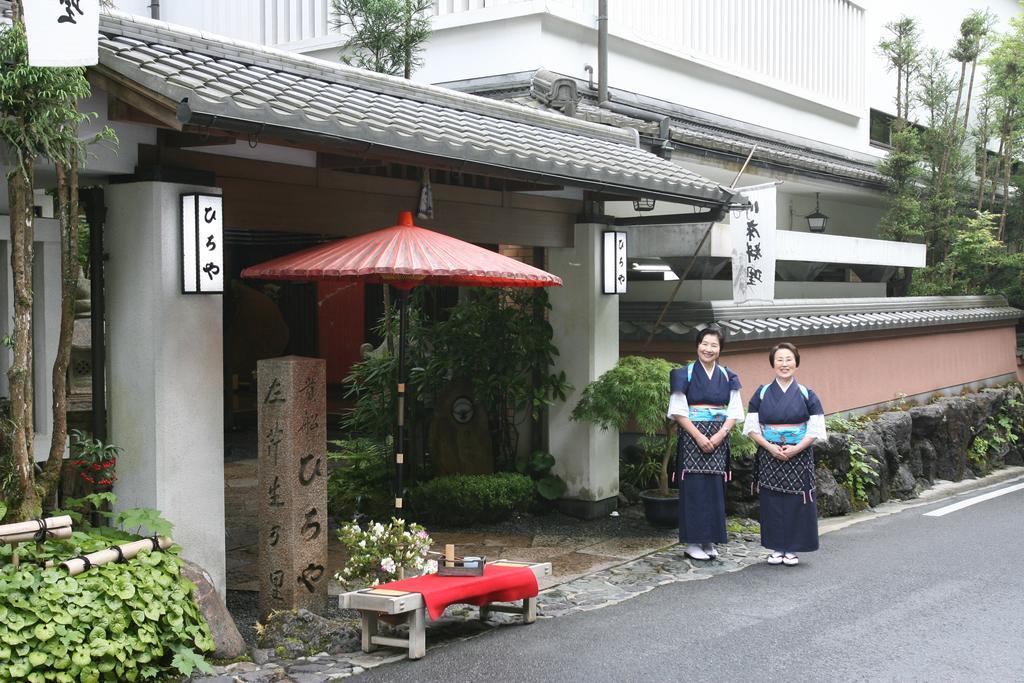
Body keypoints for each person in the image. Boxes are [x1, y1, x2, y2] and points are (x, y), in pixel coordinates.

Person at [743, 342, 827, 566]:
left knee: (796, 501)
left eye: (789, 359)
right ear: (773, 363)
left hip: (799, 454)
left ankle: (792, 548)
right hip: (770, 453)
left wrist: (796, 448)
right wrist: (770, 447)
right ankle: (776, 547)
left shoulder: (807, 394)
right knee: (772, 501)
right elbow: (751, 427)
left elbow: (815, 428)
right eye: (779, 359)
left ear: (796, 363)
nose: (784, 364)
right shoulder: (761, 393)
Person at [667, 327, 743, 561]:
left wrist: (720, 434)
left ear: (720, 349)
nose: (708, 349)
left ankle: (709, 540)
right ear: (697, 345)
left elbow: (735, 410)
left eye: (714, 345)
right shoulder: (684, 374)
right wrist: (699, 436)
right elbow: (678, 411)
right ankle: (692, 542)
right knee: (694, 488)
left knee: (715, 489)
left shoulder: (729, 376)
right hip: (692, 437)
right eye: (704, 343)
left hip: (719, 436)